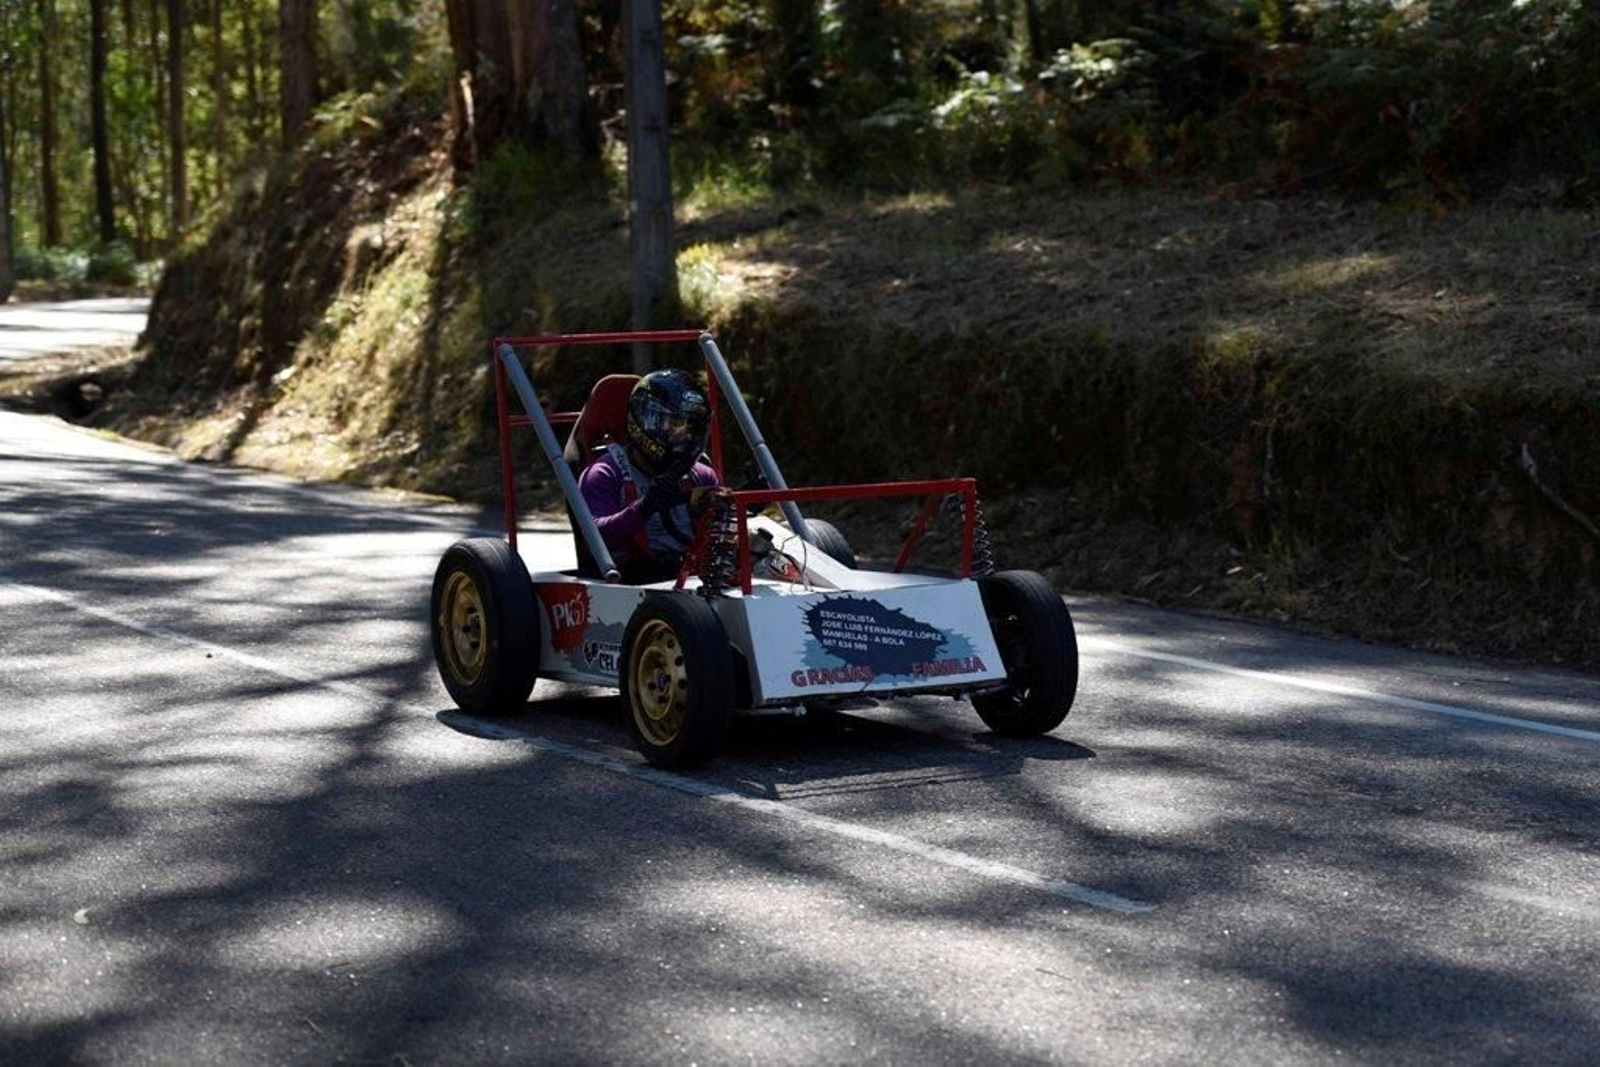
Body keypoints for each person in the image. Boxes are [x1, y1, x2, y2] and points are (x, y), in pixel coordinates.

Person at [579, 369, 725, 583]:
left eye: (690, 427)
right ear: (646, 420)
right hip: (632, 581)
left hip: (691, 578)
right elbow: (594, 537)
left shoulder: (701, 475)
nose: (682, 434)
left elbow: (719, 537)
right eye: (672, 424)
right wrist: (644, 507)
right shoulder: (604, 473)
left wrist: (741, 508)